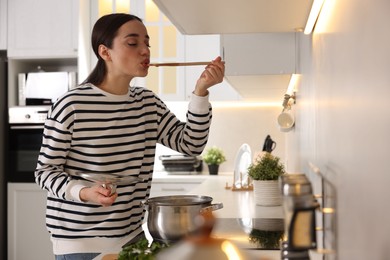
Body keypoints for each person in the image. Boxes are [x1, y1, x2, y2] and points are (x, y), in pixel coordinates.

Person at [34, 13, 224, 260]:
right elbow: (45, 171)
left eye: (147, 43)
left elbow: (191, 144)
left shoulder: (147, 103)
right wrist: (84, 192)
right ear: (105, 52)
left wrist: (200, 92)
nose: (145, 51)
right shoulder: (71, 105)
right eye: (133, 43)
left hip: (133, 238)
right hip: (81, 246)